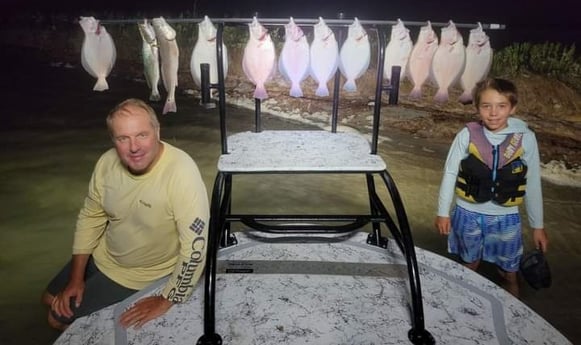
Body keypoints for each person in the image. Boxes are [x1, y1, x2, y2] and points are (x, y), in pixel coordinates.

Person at [41, 98, 209, 330]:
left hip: (140, 272)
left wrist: (168, 298)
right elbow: (90, 218)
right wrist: (76, 278)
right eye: (123, 138)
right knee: (48, 299)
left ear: (157, 130)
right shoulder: (106, 163)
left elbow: (196, 246)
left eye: (142, 135)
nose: (134, 147)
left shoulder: (182, 173)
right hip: (105, 255)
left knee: (55, 319)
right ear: (113, 140)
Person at [434, 78, 548, 297]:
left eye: (501, 106)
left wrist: (538, 226)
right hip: (467, 214)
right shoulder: (466, 135)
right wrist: (442, 213)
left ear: (513, 108)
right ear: (477, 108)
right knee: (469, 265)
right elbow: (449, 173)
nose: (493, 113)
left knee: (509, 273)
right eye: (486, 106)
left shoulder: (526, 138)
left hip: (507, 218)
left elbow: (533, 182)